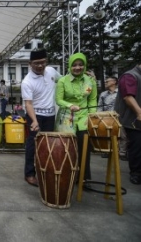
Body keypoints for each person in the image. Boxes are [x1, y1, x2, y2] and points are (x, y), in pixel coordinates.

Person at [55, 52, 97, 185]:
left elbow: (92, 100)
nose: (77, 67)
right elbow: (58, 100)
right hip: (66, 118)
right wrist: (69, 105)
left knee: (84, 148)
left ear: (84, 66)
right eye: (74, 65)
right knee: (67, 148)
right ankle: (66, 175)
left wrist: (91, 116)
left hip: (84, 119)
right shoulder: (63, 80)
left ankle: (83, 177)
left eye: (80, 65)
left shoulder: (90, 81)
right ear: (70, 66)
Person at [21, 49, 61, 187]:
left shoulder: (51, 71)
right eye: (36, 63)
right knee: (33, 144)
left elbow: (64, 81)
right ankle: (29, 174)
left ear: (46, 62)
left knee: (48, 145)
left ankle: (45, 171)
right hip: (35, 115)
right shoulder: (27, 81)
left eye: (43, 62)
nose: (40, 66)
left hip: (50, 115)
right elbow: (28, 104)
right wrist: (34, 121)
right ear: (30, 63)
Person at [114, 63, 141, 185]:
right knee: (136, 147)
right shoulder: (130, 76)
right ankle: (136, 173)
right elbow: (128, 97)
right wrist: (139, 112)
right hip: (132, 121)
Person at [97, 76, 128, 160]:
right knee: (107, 134)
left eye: (107, 81)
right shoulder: (103, 94)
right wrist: (99, 116)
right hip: (106, 117)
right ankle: (107, 151)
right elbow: (99, 106)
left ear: (114, 82)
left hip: (119, 117)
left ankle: (122, 153)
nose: (105, 82)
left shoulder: (120, 93)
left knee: (122, 135)